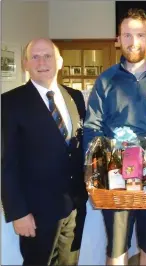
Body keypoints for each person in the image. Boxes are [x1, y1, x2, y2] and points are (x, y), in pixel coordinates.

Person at [83, 8, 146, 266]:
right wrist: (95, 171)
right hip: (116, 176)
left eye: (139, 35)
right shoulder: (106, 81)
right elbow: (93, 127)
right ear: (118, 39)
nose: (133, 41)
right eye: (127, 35)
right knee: (116, 250)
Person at [1, 38, 88, 265]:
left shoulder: (75, 98)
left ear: (59, 62)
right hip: (36, 211)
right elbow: (6, 162)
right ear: (25, 64)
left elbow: (78, 148)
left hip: (74, 207)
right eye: (35, 56)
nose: (42, 62)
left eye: (48, 56)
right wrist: (18, 212)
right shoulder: (9, 103)